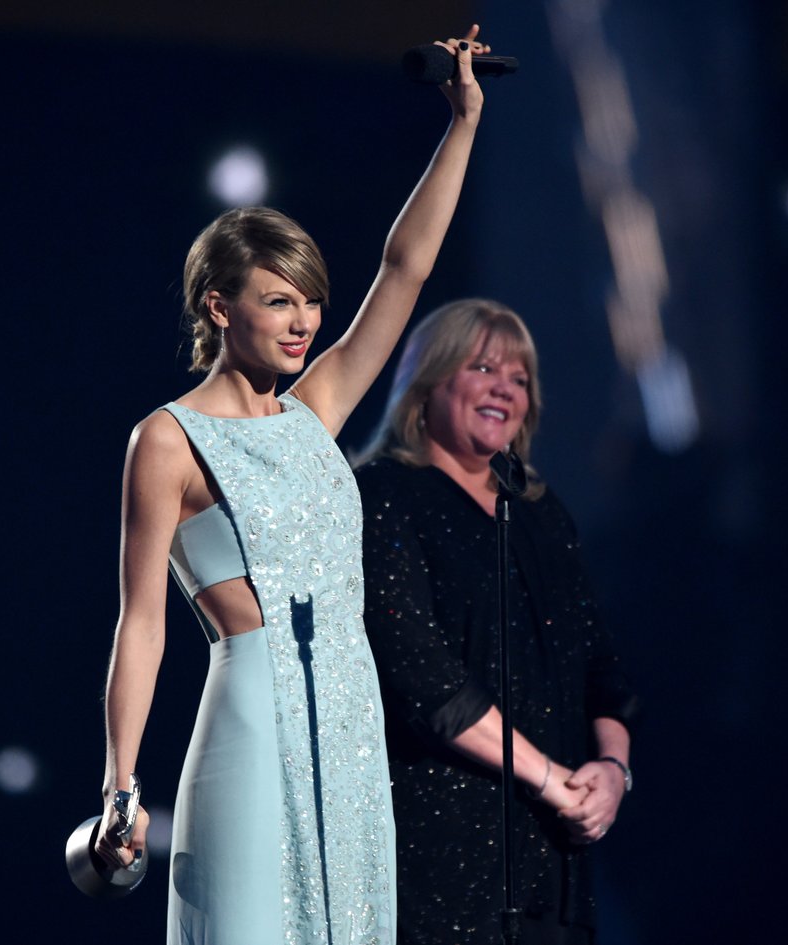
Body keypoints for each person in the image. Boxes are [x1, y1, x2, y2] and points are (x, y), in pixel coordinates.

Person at [93, 28, 486, 945]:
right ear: (218, 306)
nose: (304, 320)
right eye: (279, 300)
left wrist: (463, 123)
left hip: (351, 718)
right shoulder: (167, 439)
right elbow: (141, 623)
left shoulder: (316, 409)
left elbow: (405, 269)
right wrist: (120, 785)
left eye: (310, 300)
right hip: (250, 720)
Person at [353, 299, 637, 945]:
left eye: (519, 378)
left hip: (555, 854)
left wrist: (612, 772)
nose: (504, 388)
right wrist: (550, 778)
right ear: (428, 382)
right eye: (483, 367)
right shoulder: (384, 494)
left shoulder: (541, 512)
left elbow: (602, 667)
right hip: (444, 854)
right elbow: (422, 677)